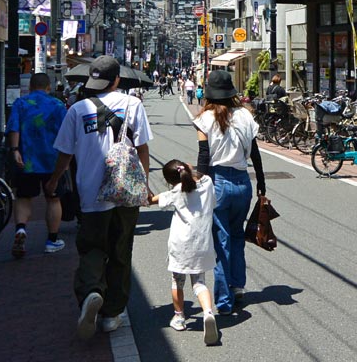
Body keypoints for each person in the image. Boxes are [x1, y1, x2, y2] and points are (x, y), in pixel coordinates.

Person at [46, 55, 153, 339]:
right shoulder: (133, 105)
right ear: (117, 79)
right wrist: (145, 184)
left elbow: (65, 153)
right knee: (120, 251)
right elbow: (142, 149)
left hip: (91, 193)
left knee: (92, 248)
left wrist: (55, 180)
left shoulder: (77, 109)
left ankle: (92, 291)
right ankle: (112, 314)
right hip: (126, 191)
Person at [195, 70, 266, 315]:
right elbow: (255, 153)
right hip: (243, 182)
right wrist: (262, 184)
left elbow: (203, 157)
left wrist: (198, 185)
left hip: (218, 182)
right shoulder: (246, 116)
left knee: (220, 242)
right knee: (236, 236)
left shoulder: (205, 118)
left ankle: (223, 301)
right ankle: (238, 287)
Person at [148, 160, 219, 345]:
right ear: (186, 169)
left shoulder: (176, 192)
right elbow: (211, 199)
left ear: (170, 180)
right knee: (199, 283)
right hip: (202, 244)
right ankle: (208, 313)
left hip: (181, 246)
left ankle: (179, 318)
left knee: (177, 282)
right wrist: (191, 169)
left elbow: (153, 200)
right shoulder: (208, 183)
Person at [6, 72, 68, 258]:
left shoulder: (21, 103)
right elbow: (66, 133)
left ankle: (21, 229)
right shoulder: (57, 105)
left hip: (26, 160)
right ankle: (52, 240)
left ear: (31, 87)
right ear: (48, 87)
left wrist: (15, 149)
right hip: (52, 160)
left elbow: (13, 127)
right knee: (53, 198)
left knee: (23, 197)